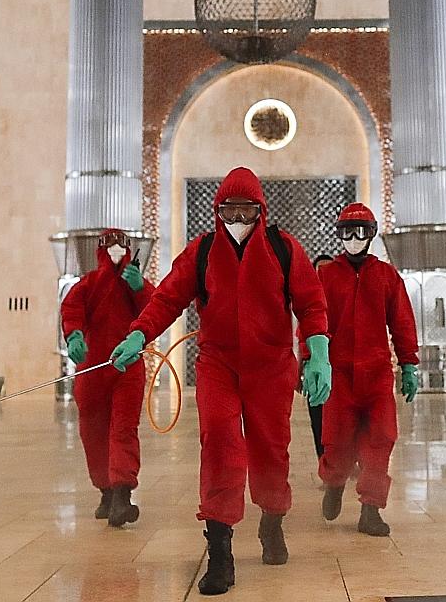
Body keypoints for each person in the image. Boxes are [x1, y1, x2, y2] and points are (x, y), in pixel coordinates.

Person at [111, 167, 330, 597]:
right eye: (228, 209)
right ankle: (220, 549)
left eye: (246, 209)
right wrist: (139, 332)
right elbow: (168, 297)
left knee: (271, 447)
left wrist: (316, 351)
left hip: (270, 369)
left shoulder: (283, 249)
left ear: (260, 211)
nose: (237, 217)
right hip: (218, 366)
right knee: (221, 446)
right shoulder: (203, 251)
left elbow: (311, 303)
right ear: (217, 211)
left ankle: (272, 520)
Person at [312, 202, 418, 537]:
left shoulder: (386, 276)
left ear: (371, 235)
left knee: (381, 439)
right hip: (339, 375)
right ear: (339, 235)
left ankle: (371, 509)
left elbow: (401, 322)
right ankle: (334, 482)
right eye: (347, 232)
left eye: (361, 232)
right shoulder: (326, 275)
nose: (354, 239)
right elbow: (314, 321)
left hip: (376, 375)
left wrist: (409, 363)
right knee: (338, 441)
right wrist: (309, 360)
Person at [60, 228, 153, 527]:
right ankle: (106, 490)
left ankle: (122, 493)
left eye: (121, 244)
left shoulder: (135, 283)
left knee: (124, 428)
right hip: (93, 370)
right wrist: (74, 335)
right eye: (109, 244)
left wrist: (141, 289)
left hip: (128, 368)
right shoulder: (87, 285)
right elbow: (71, 308)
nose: (116, 250)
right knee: (93, 432)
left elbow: (156, 309)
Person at [305, 253, 334, 459]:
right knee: (319, 418)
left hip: (341, 367)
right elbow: (303, 333)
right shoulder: (308, 302)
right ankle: (324, 461)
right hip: (314, 366)